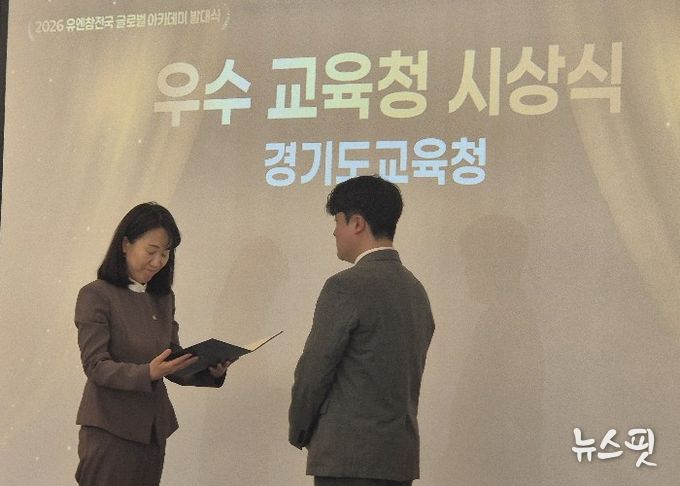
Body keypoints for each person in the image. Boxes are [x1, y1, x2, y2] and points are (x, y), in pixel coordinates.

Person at [289, 175, 435, 486]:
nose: (334, 232)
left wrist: (299, 429)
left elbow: (315, 369)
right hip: (398, 458)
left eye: (337, 221)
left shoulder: (345, 286)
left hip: (347, 459)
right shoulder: (415, 289)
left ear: (357, 223)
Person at [74, 202, 234, 486]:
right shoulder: (96, 295)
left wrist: (210, 370)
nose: (158, 261)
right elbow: (96, 366)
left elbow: (171, 361)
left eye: (165, 253)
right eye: (152, 251)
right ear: (125, 244)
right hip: (111, 429)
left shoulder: (162, 298)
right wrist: (147, 372)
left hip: (153, 430)